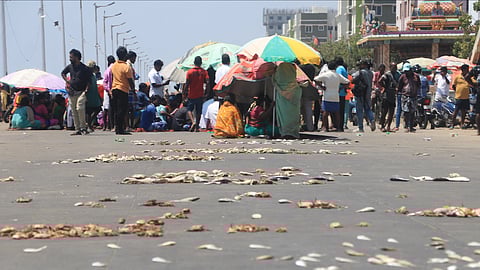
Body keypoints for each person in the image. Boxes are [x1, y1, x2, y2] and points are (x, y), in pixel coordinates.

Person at [61, 49, 91, 135]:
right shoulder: (70, 67)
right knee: (74, 110)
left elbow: (89, 81)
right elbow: (63, 73)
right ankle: (78, 129)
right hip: (72, 92)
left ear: (77, 57)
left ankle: (83, 128)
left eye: (71, 57)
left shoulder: (84, 68)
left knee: (80, 108)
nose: (70, 59)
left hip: (82, 92)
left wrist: (86, 90)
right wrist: (67, 81)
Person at [314, 61, 350, 132]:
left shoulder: (325, 75)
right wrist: (341, 88)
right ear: (335, 67)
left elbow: (315, 79)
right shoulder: (337, 75)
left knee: (325, 112)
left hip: (327, 95)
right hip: (335, 95)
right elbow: (347, 82)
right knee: (337, 112)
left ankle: (324, 127)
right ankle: (339, 127)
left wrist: (322, 87)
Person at [110, 46, 135, 135]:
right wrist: (133, 89)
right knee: (122, 110)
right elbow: (130, 81)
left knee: (116, 110)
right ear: (125, 55)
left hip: (114, 89)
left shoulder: (114, 65)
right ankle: (120, 129)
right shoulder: (126, 67)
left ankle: (117, 128)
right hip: (122, 89)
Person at [183, 56, 209, 132]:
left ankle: (193, 121)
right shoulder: (204, 72)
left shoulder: (190, 72)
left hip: (191, 94)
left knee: (189, 109)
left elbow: (187, 83)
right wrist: (207, 92)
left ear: (194, 63)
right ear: (201, 63)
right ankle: (197, 127)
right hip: (200, 94)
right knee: (198, 111)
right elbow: (208, 82)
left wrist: (184, 93)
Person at [352, 59, 376, 133]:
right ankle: (372, 119)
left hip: (360, 93)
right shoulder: (371, 73)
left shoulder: (360, 72)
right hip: (368, 93)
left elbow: (353, 79)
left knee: (359, 111)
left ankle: (360, 128)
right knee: (368, 109)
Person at [397, 63, 421, 132]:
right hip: (405, 96)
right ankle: (407, 126)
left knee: (412, 111)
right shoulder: (403, 77)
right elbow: (399, 86)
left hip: (414, 96)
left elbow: (419, 85)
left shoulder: (416, 76)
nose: (406, 72)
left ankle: (411, 126)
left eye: (407, 71)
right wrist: (400, 92)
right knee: (406, 111)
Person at [451, 64, 474, 129]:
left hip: (466, 97)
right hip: (459, 97)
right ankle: (452, 124)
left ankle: (462, 124)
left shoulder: (469, 77)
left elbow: (473, 83)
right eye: (466, 70)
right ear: (463, 70)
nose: (467, 71)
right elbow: (453, 86)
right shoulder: (458, 77)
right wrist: (458, 91)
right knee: (456, 111)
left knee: (464, 111)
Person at [378, 63, 398, 132]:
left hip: (392, 95)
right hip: (386, 95)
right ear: (390, 67)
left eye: (395, 67)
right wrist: (385, 87)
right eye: (393, 67)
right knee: (384, 111)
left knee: (391, 112)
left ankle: (388, 126)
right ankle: (382, 126)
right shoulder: (387, 74)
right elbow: (380, 81)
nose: (395, 68)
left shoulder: (396, 75)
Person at [300, 63, 318, 132]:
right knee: (308, 110)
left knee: (298, 110)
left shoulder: (300, 69)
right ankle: (310, 127)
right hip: (309, 91)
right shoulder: (311, 68)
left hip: (301, 91)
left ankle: (300, 126)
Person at [85, 61, 103, 132]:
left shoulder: (93, 76)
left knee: (98, 109)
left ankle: (89, 124)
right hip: (89, 95)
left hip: (94, 95)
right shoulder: (87, 76)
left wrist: (99, 97)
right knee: (88, 112)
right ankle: (89, 125)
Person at [102, 55, 116, 131]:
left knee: (109, 109)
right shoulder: (114, 68)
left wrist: (108, 90)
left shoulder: (107, 70)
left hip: (109, 91)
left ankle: (109, 126)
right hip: (114, 90)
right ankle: (113, 125)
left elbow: (104, 82)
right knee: (114, 109)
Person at [335, 57, 348, 132]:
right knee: (342, 110)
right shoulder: (343, 68)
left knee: (338, 110)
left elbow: (339, 77)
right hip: (343, 92)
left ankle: (339, 126)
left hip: (339, 91)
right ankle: (341, 126)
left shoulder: (339, 69)